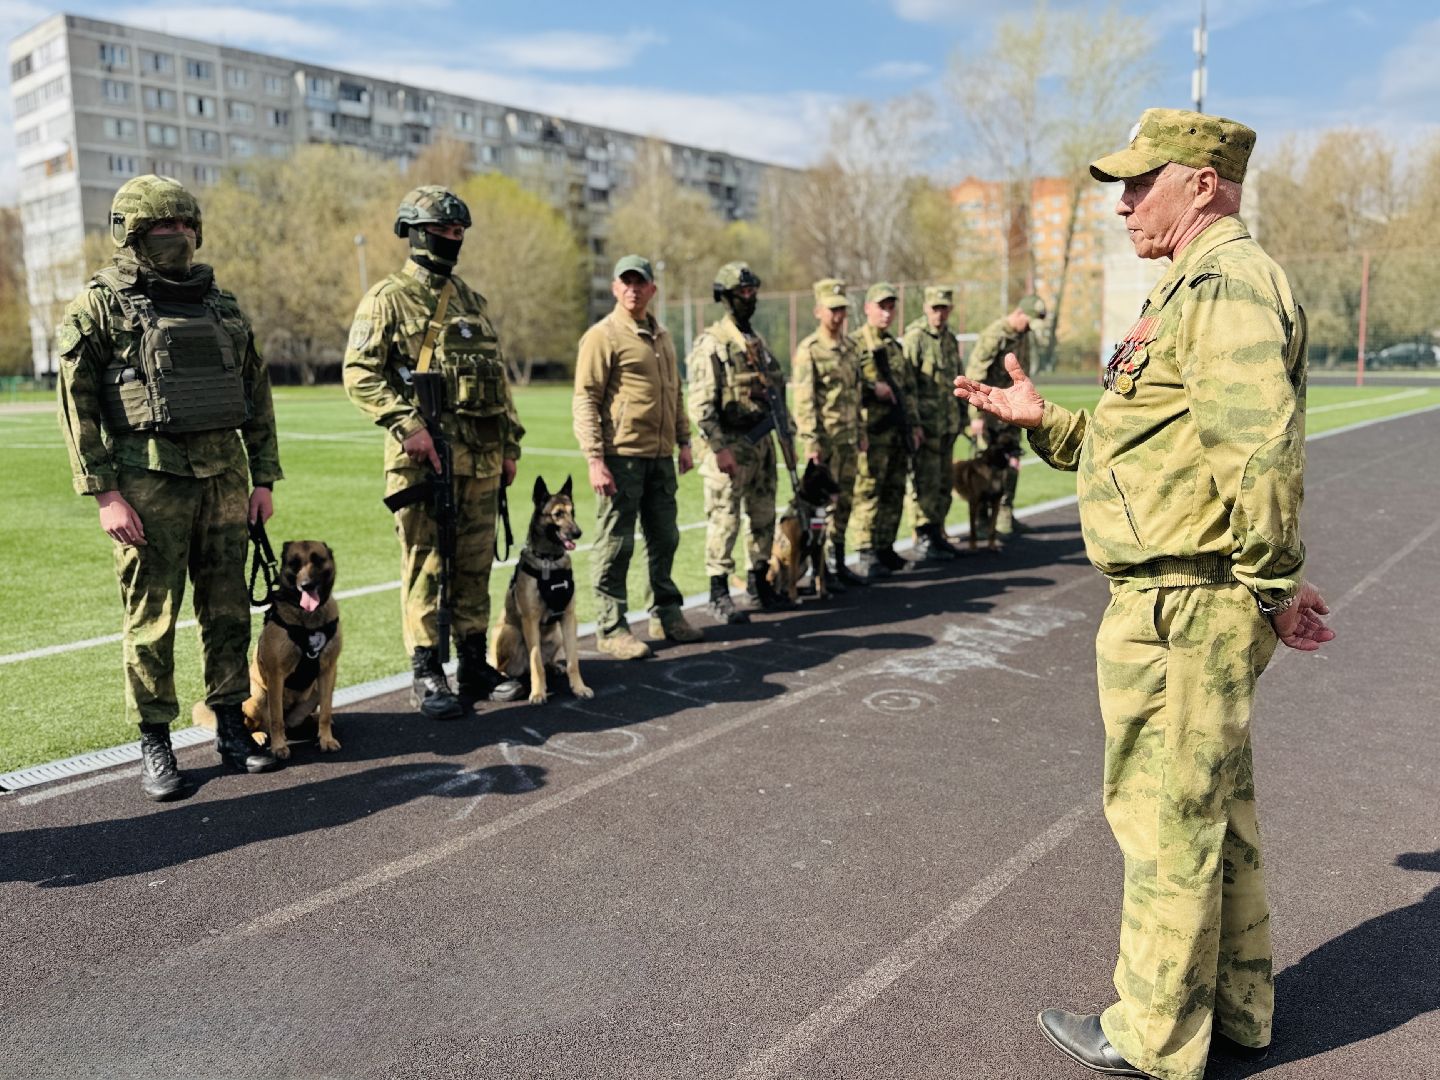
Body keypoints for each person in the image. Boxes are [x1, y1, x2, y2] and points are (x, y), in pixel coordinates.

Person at [954, 108, 1335, 1080]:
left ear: (1202, 180)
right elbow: (1151, 450)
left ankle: (1154, 1036)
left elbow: (1257, 454)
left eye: (1140, 181)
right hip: (1189, 597)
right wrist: (1046, 423)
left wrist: (1271, 589)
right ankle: (1241, 1009)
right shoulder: (1192, 288)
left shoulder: (1225, 285)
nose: (1123, 201)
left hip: (1183, 609)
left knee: (1167, 818)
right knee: (1217, 812)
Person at [56, 174, 281, 800]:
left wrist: (263, 477)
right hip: (147, 480)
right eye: (163, 228)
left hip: (225, 476)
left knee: (230, 608)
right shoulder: (97, 306)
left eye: (186, 226)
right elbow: (76, 408)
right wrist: (104, 493)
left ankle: (232, 726)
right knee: (152, 617)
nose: (178, 237)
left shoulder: (223, 306)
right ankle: (155, 738)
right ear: (130, 233)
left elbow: (255, 394)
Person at [343, 185, 524, 721]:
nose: (452, 239)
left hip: (482, 460)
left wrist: (509, 444)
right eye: (442, 230)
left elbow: (499, 380)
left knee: (473, 566)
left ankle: (473, 661)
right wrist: (407, 424)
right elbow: (359, 373)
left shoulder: (472, 302)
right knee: (426, 566)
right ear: (415, 233)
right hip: (424, 460)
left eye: (458, 231)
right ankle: (426, 671)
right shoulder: (387, 298)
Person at [573, 254, 700, 659]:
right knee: (616, 543)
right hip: (621, 457)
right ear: (614, 288)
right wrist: (595, 458)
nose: (633, 288)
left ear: (652, 289)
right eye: (625, 282)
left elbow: (674, 392)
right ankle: (611, 627)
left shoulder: (662, 336)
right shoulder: (603, 336)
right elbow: (586, 398)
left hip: (660, 456)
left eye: (639, 282)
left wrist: (683, 441)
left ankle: (665, 613)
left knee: (664, 537)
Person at [686, 260, 794, 623]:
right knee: (724, 520)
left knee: (763, 515)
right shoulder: (713, 343)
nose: (749, 298)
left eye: (752, 291)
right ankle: (718, 592)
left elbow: (776, 387)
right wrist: (719, 448)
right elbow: (700, 403)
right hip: (731, 446)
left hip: (761, 444)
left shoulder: (755, 343)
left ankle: (758, 582)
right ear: (726, 297)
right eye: (741, 293)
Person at [791, 278, 867, 590]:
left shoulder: (851, 348)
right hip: (825, 444)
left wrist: (861, 430)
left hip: (848, 440)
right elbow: (804, 401)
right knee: (822, 508)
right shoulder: (809, 350)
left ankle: (837, 562)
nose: (838, 315)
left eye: (842, 310)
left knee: (846, 501)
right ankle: (819, 571)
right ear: (818, 311)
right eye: (832, 310)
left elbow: (856, 392)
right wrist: (811, 443)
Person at [850, 282, 923, 580]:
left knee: (894, 490)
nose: (887, 313)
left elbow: (907, 390)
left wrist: (915, 424)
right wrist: (871, 388)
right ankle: (866, 552)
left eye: (891, 307)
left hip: (896, 431)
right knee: (869, 491)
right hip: (872, 431)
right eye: (882, 306)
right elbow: (847, 383)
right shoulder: (855, 345)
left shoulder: (894, 347)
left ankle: (885, 547)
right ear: (867, 308)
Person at [964, 293, 1046, 537]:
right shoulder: (994, 336)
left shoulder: (1023, 335)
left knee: (1012, 463)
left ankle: (1004, 514)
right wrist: (975, 416)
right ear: (1019, 313)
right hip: (989, 410)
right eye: (1029, 322)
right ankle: (981, 520)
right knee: (985, 467)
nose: (1030, 328)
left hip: (1012, 410)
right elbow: (975, 373)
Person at [903, 286, 965, 561]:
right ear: (926, 308)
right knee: (924, 482)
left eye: (944, 308)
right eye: (935, 308)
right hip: (926, 427)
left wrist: (963, 417)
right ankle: (923, 535)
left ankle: (937, 533)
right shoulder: (915, 338)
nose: (939, 313)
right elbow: (907, 385)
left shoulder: (950, 340)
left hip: (947, 425)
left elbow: (957, 379)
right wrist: (914, 423)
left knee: (943, 481)